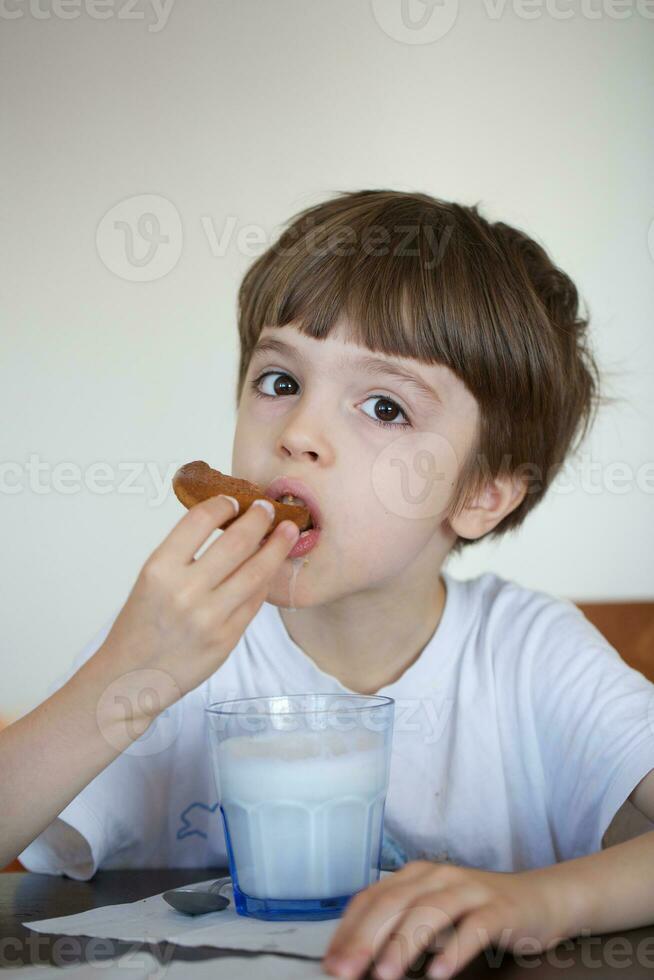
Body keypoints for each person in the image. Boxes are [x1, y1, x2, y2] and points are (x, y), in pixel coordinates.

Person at [4, 190, 654, 980]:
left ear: (482, 494)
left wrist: (540, 902)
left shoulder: (529, 656)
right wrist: (127, 673)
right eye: (279, 381)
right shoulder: (176, 644)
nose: (299, 435)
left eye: (384, 405)